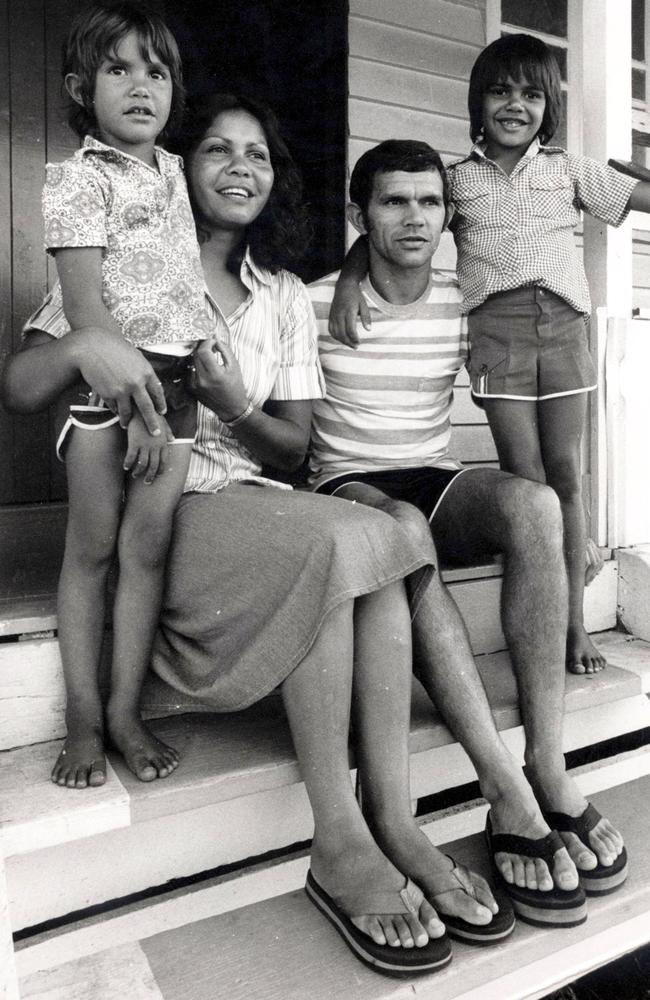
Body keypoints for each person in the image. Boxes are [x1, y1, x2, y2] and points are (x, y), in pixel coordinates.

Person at [2, 92, 517, 974]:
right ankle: (340, 836)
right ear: (177, 172)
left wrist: (227, 395)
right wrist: (89, 349)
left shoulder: (281, 299)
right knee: (336, 539)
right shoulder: (122, 273)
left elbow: (293, 451)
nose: (242, 168)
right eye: (217, 151)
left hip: (247, 495)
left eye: (259, 156)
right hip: (156, 509)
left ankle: (394, 814)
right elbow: (22, 385)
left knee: (382, 530)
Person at [308, 139, 628, 928]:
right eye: (392, 201)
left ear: (451, 216)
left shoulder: (467, 299)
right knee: (404, 527)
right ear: (360, 215)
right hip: (347, 484)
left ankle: (548, 765)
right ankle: (502, 786)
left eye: (427, 201)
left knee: (535, 505)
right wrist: (352, 271)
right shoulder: (313, 302)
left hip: (430, 473)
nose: (413, 216)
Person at [329, 34, 650, 677]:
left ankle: (570, 626)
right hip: (498, 334)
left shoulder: (570, 169)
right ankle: (540, 613)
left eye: (532, 94)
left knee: (566, 475)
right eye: (501, 91)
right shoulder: (456, 183)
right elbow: (388, 230)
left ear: (549, 106)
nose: (515, 105)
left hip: (562, 329)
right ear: (479, 102)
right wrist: (344, 281)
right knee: (525, 481)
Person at [23, 1, 222, 788]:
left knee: (146, 556)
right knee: (94, 550)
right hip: (110, 392)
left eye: (157, 70)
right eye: (119, 69)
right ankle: (79, 718)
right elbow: (89, 314)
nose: (142, 85)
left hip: (178, 390)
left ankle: (124, 711)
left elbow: (177, 281)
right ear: (81, 86)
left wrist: (203, 342)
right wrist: (139, 407)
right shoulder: (75, 180)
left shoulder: (174, 171)